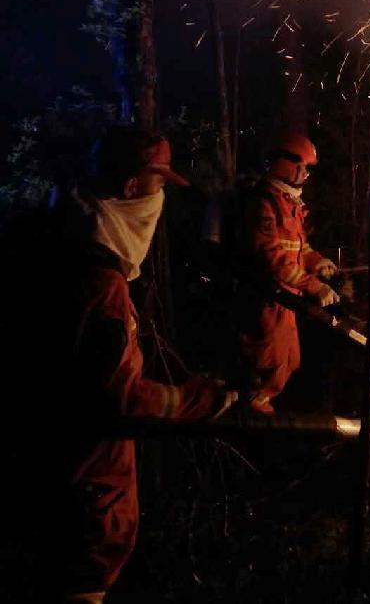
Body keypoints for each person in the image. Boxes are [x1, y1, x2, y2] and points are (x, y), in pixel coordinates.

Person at [47, 124, 237, 603]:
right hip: (82, 498)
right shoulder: (100, 284)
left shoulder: (65, 238)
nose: (159, 200)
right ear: (131, 188)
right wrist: (198, 399)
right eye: (157, 184)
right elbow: (120, 399)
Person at [237, 132, 339, 415]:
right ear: (285, 163)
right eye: (303, 166)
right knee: (270, 360)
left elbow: (299, 248)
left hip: (286, 299)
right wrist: (314, 287)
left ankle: (259, 407)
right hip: (268, 298)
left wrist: (317, 261)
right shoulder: (264, 204)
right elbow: (272, 259)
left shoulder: (289, 204)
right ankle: (248, 414)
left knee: (290, 360)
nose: (306, 173)